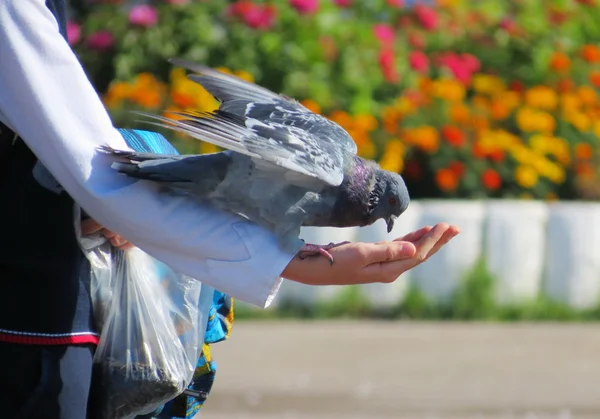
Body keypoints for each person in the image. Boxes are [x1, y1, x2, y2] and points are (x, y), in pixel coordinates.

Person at [0, 1, 460, 418]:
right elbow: (86, 164)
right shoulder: (13, 13)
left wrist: (292, 260)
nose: (382, 216)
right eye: (384, 208)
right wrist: (293, 261)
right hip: (30, 312)